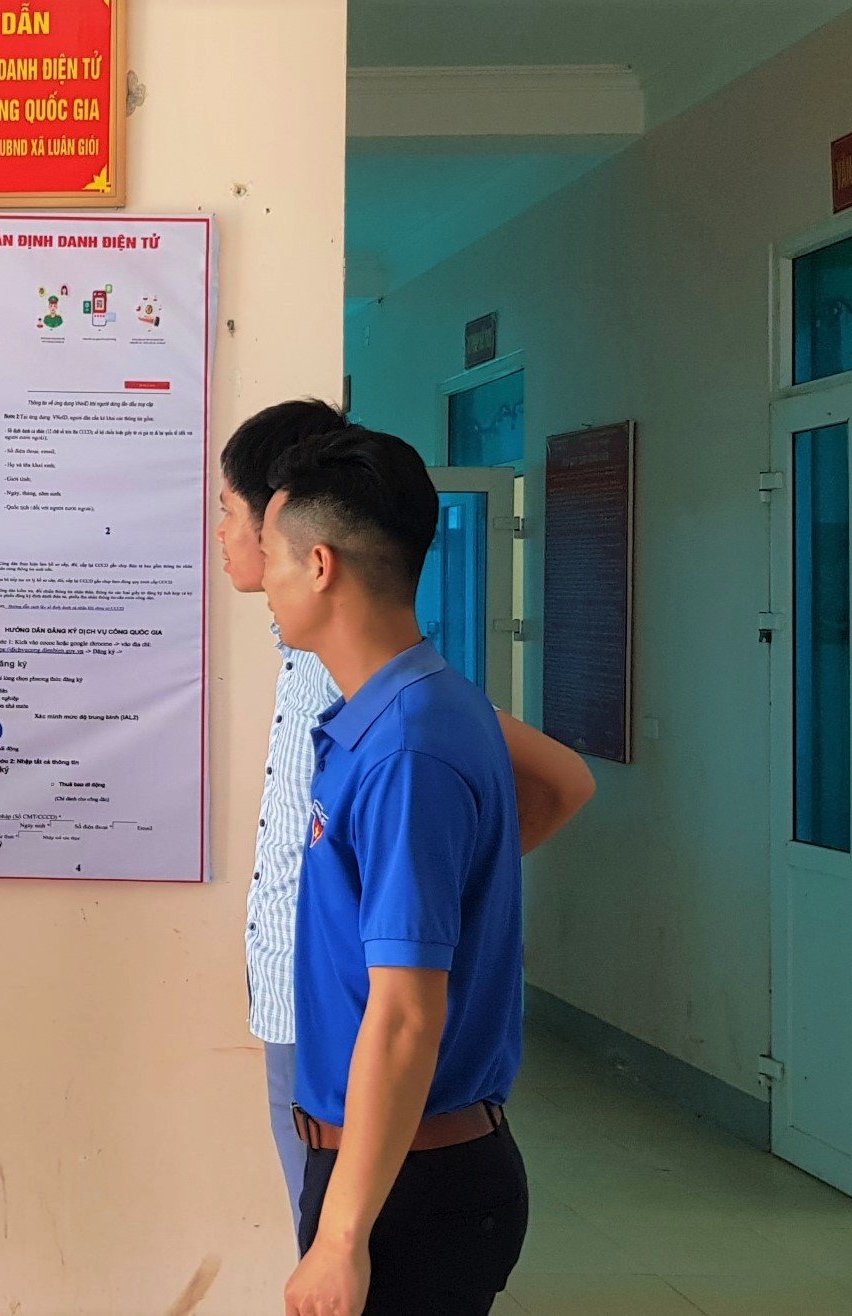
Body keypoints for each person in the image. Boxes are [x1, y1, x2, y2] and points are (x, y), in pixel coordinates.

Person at [215, 400, 594, 1232]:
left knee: (347, 1245)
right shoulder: (353, 683)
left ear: (312, 552)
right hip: (330, 1022)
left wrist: (421, 913)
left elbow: (407, 1013)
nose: (228, 538)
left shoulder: (398, 718)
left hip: (367, 1045)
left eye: (234, 514)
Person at [262, 428, 532, 1316]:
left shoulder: (407, 746)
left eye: (272, 554)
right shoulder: (411, 706)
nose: (262, 580)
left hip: (408, 1190)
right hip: (387, 1169)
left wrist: (343, 1240)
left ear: (320, 566)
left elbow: (408, 1016)